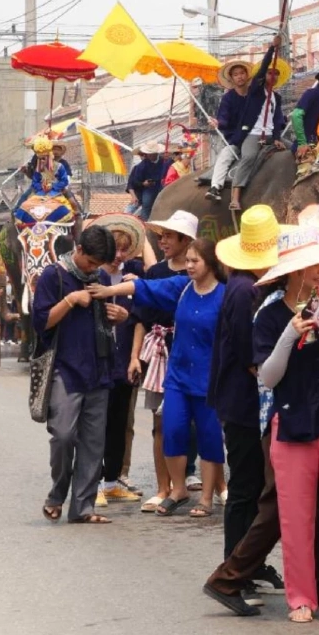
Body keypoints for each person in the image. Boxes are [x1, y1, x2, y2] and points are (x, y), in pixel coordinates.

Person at [255, 227, 319, 623]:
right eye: (315, 265)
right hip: (292, 422)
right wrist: (288, 335)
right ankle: (300, 597)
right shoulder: (268, 316)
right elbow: (267, 377)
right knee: (296, 516)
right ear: (296, 270)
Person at [95, 236, 228, 518]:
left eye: (195, 261)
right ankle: (177, 490)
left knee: (209, 438)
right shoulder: (181, 288)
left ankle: (206, 498)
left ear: (211, 264)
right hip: (177, 376)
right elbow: (143, 287)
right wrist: (107, 291)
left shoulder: (225, 296)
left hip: (209, 379)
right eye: (188, 260)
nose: (189, 266)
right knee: (172, 431)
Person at [203, 205, 289, 615]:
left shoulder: (250, 285)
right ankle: (233, 569)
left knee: (254, 488)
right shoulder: (243, 291)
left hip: (246, 400)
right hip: (241, 403)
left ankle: (249, 564)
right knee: (245, 489)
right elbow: (247, 354)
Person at [34, 225, 119, 525]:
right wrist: (71, 300)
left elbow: (111, 318)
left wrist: (119, 315)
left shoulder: (103, 278)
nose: (94, 270)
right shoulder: (53, 276)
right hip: (65, 368)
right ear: (79, 250)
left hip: (100, 367)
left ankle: (83, 506)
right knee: (63, 435)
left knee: (94, 443)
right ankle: (58, 492)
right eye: (92, 262)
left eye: (99, 266)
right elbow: (41, 322)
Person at [135, 210, 199, 509]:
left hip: (193, 352)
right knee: (159, 423)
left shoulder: (199, 274)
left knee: (200, 422)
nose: (163, 241)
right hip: (160, 353)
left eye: (169, 236)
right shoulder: (155, 274)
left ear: (187, 241)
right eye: (161, 236)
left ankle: (201, 485)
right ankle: (164, 487)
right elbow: (142, 317)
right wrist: (135, 356)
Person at [89, 215, 150, 507]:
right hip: (99, 361)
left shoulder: (134, 275)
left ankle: (112, 481)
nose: (120, 256)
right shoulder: (91, 276)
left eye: (126, 248)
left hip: (125, 359)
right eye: (115, 248)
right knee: (96, 424)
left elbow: (142, 313)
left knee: (118, 424)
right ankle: (92, 483)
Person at [226, 41, 289, 211]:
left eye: (276, 74)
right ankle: (236, 197)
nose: (273, 76)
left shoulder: (277, 97)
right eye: (270, 73)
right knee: (248, 157)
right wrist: (272, 49)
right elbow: (261, 71)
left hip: (270, 135)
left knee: (295, 150)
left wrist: (276, 138)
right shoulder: (255, 90)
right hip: (254, 134)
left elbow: (277, 121)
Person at [205, 59, 253, 201]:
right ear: (232, 79)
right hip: (236, 138)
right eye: (236, 74)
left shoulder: (255, 95)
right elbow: (223, 119)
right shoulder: (228, 98)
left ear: (247, 75)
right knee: (225, 156)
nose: (240, 76)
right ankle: (215, 187)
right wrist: (217, 122)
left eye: (242, 73)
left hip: (257, 135)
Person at [127, 143, 169, 220]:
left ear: (156, 153)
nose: (147, 156)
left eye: (150, 153)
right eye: (146, 154)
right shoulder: (140, 166)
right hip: (148, 189)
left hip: (163, 187)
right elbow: (133, 183)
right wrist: (143, 184)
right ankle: (146, 224)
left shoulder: (165, 161)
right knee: (146, 204)